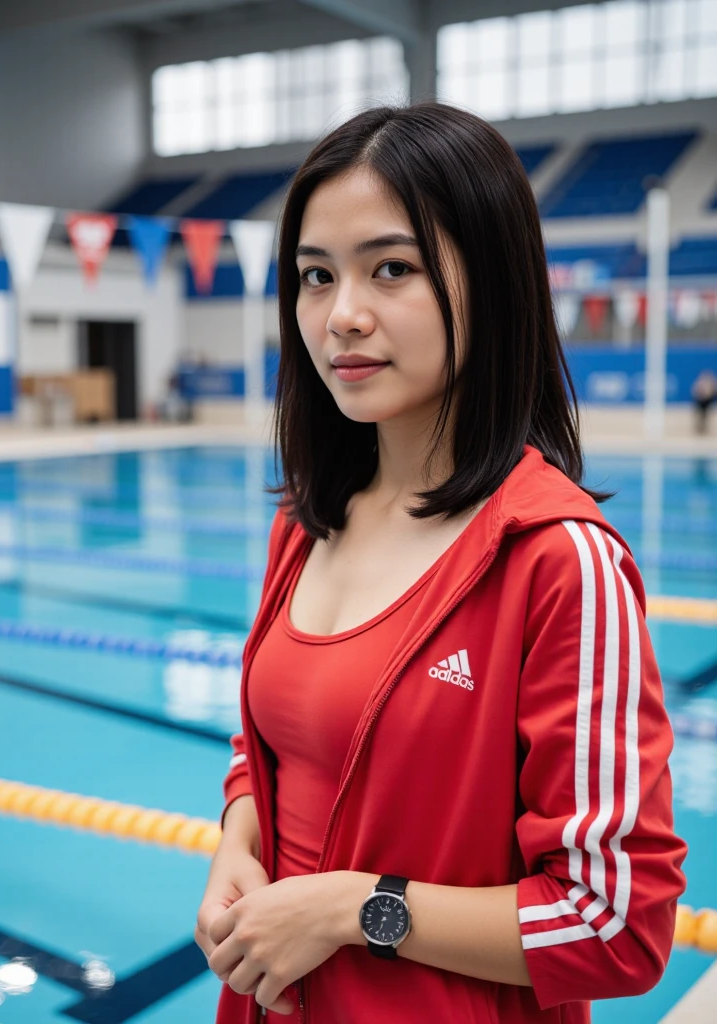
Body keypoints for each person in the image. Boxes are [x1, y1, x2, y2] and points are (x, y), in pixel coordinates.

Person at [195, 102, 687, 1024]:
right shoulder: (304, 525)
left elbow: (617, 925)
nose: (341, 315)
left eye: (392, 268)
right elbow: (273, 742)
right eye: (314, 275)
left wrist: (353, 909)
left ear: (492, 283)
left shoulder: (558, 564)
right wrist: (239, 834)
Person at [691, 368, 717, 434]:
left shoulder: (711, 383)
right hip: (699, 402)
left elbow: (713, 393)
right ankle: (699, 427)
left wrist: (707, 396)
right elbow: (694, 392)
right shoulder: (699, 383)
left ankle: (703, 427)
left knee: (705, 415)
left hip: (707, 402)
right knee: (699, 415)